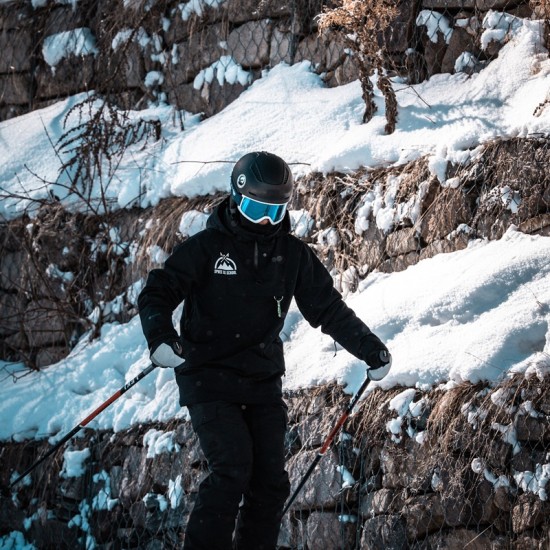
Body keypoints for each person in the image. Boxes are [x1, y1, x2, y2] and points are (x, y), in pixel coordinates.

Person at [138, 151, 391, 550]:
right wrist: (161, 338)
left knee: (271, 482)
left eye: (276, 211)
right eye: (258, 209)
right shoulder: (206, 249)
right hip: (207, 375)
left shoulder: (291, 256)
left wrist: (370, 349)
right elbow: (157, 292)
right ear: (237, 200)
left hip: (260, 378)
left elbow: (329, 310)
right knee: (232, 468)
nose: (267, 222)